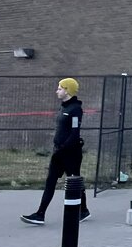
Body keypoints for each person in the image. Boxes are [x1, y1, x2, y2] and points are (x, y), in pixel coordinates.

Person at [21, 78, 90, 225]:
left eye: (59, 88)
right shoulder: (63, 108)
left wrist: (64, 148)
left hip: (70, 154)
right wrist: (57, 148)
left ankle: (83, 210)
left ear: (67, 90)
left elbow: (75, 133)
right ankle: (40, 214)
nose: (57, 91)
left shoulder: (75, 109)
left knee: (74, 182)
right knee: (50, 182)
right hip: (58, 152)